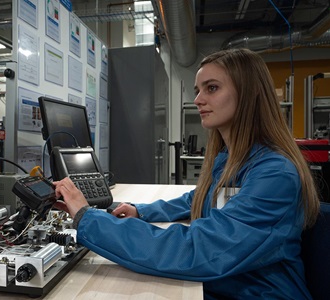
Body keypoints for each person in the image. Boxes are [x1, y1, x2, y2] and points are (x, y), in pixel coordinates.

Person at [53, 48, 320, 299]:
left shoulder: (275, 174)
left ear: (249, 93)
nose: (198, 99)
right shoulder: (231, 159)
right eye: (198, 90)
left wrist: (87, 219)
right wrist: (141, 211)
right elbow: (199, 199)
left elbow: (198, 251)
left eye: (212, 88)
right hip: (229, 284)